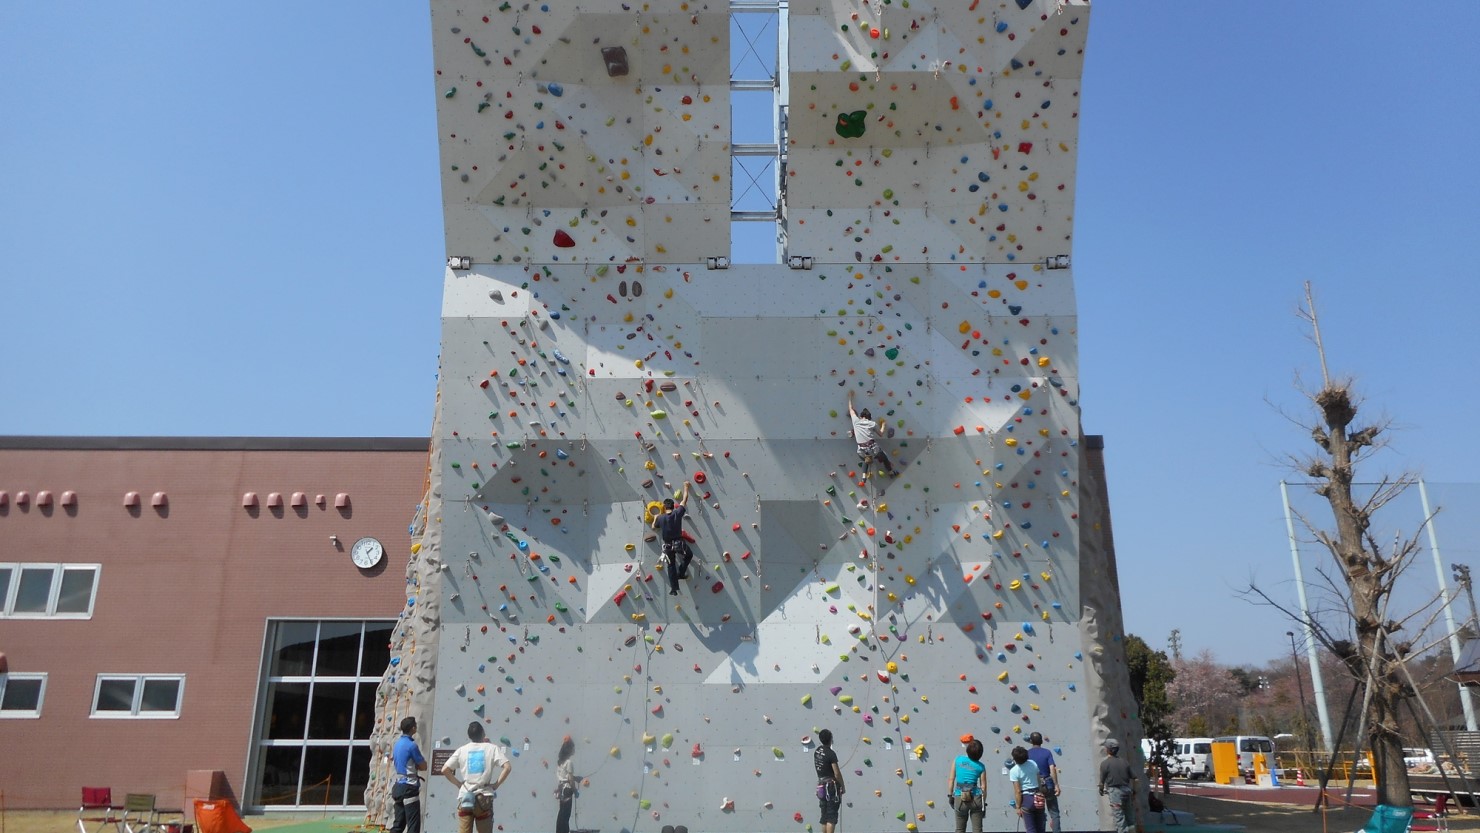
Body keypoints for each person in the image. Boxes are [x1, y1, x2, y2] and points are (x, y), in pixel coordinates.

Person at [441, 721, 512, 833]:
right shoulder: (492, 748)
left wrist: (459, 784)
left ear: (469, 736)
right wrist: (496, 784)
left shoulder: (462, 750)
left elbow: (445, 770)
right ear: (483, 733)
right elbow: (507, 767)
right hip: (484, 797)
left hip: (465, 796)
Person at [652, 481, 694, 596]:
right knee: (689, 555)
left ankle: (674, 589)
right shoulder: (677, 513)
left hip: (667, 545)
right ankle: (681, 572)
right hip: (678, 543)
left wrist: (655, 517)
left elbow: (654, 528)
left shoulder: (660, 518)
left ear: (664, 507)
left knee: (671, 565)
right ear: (672, 506)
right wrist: (685, 487)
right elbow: (684, 500)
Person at [389, 716, 427, 833]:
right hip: (409, 787)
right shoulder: (412, 745)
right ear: (413, 728)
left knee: (398, 824)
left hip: (398, 786)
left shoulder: (397, 744)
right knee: (413, 825)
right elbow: (423, 766)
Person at [848, 394, 896, 476]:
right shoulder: (872, 423)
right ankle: (890, 472)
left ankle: (864, 476)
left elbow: (851, 409)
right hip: (873, 448)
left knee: (865, 459)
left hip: (861, 449)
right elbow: (880, 434)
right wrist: (883, 425)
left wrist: (850, 397)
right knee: (884, 457)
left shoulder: (856, 421)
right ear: (869, 418)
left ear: (861, 416)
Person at [946, 735, 986, 833]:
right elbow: (983, 786)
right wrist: (983, 803)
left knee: (960, 829)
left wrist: (950, 796)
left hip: (960, 798)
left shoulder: (957, 760)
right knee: (977, 829)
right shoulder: (981, 767)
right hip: (976, 799)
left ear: (967, 750)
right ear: (981, 754)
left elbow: (951, 779)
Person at [1098, 738, 1137, 833]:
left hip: (1115, 793)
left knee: (1119, 818)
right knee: (1130, 817)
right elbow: (1135, 778)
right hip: (1127, 791)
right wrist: (1134, 790)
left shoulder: (1105, 764)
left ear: (1108, 749)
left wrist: (1101, 790)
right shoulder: (1124, 762)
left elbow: (1101, 782)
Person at [1026, 732, 1062, 832]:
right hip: (1048, 783)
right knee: (1054, 813)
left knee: (1039, 812)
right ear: (1041, 741)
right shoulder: (1047, 752)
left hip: (1035, 786)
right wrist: (1056, 785)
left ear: (1031, 741)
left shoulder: (1027, 754)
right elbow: (1052, 769)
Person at [813, 728, 846, 833]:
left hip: (821, 786)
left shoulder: (817, 751)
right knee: (831, 817)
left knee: (824, 817)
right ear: (830, 739)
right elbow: (836, 773)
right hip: (831, 788)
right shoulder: (831, 753)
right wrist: (842, 786)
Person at [1009, 745, 1047, 833]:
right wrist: (1041, 792)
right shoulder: (1032, 763)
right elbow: (1038, 778)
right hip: (1038, 795)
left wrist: (1018, 807)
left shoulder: (1014, 771)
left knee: (1030, 829)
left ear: (1015, 758)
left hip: (1026, 798)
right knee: (1041, 827)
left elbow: (1018, 791)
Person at [555, 736, 577, 833]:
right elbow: (570, 780)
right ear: (569, 750)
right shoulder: (569, 762)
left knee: (561, 813)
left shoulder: (560, 762)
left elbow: (564, 776)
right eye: (573, 748)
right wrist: (575, 791)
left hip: (561, 789)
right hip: (567, 789)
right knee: (566, 815)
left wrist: (576, 778)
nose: (574, 750)